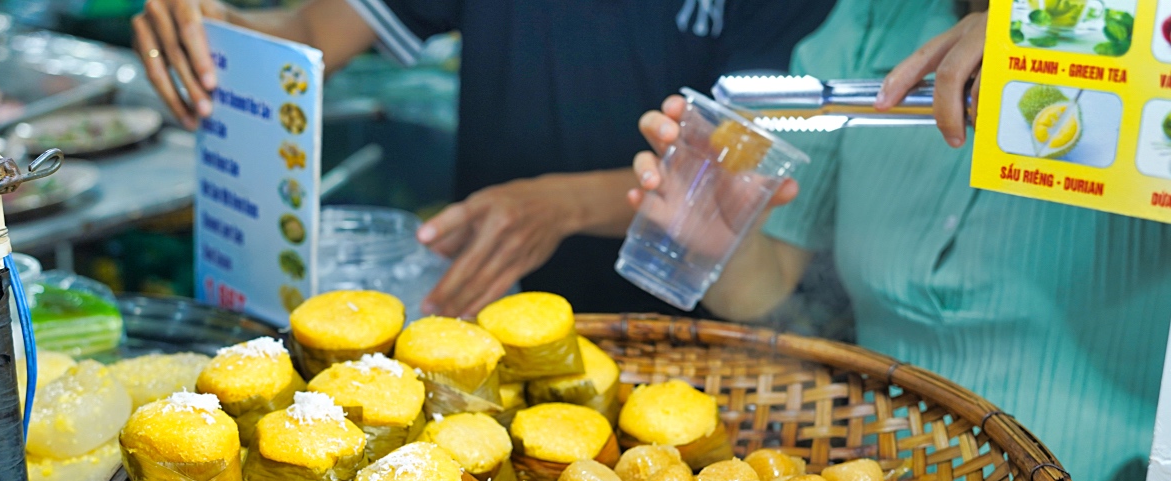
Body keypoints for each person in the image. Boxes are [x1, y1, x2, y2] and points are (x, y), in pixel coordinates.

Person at [631, 0, 1171, 481]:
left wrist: (1071, 35)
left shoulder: (1147, 44)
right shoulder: (876, 20)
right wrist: (719, 241)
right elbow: (762, 289)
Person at [133, 0, 835, 316]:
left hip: (675, 329)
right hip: (489, 303)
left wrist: (559, 205)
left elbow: (737, 163)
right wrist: (212, 31)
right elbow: (309, 35)